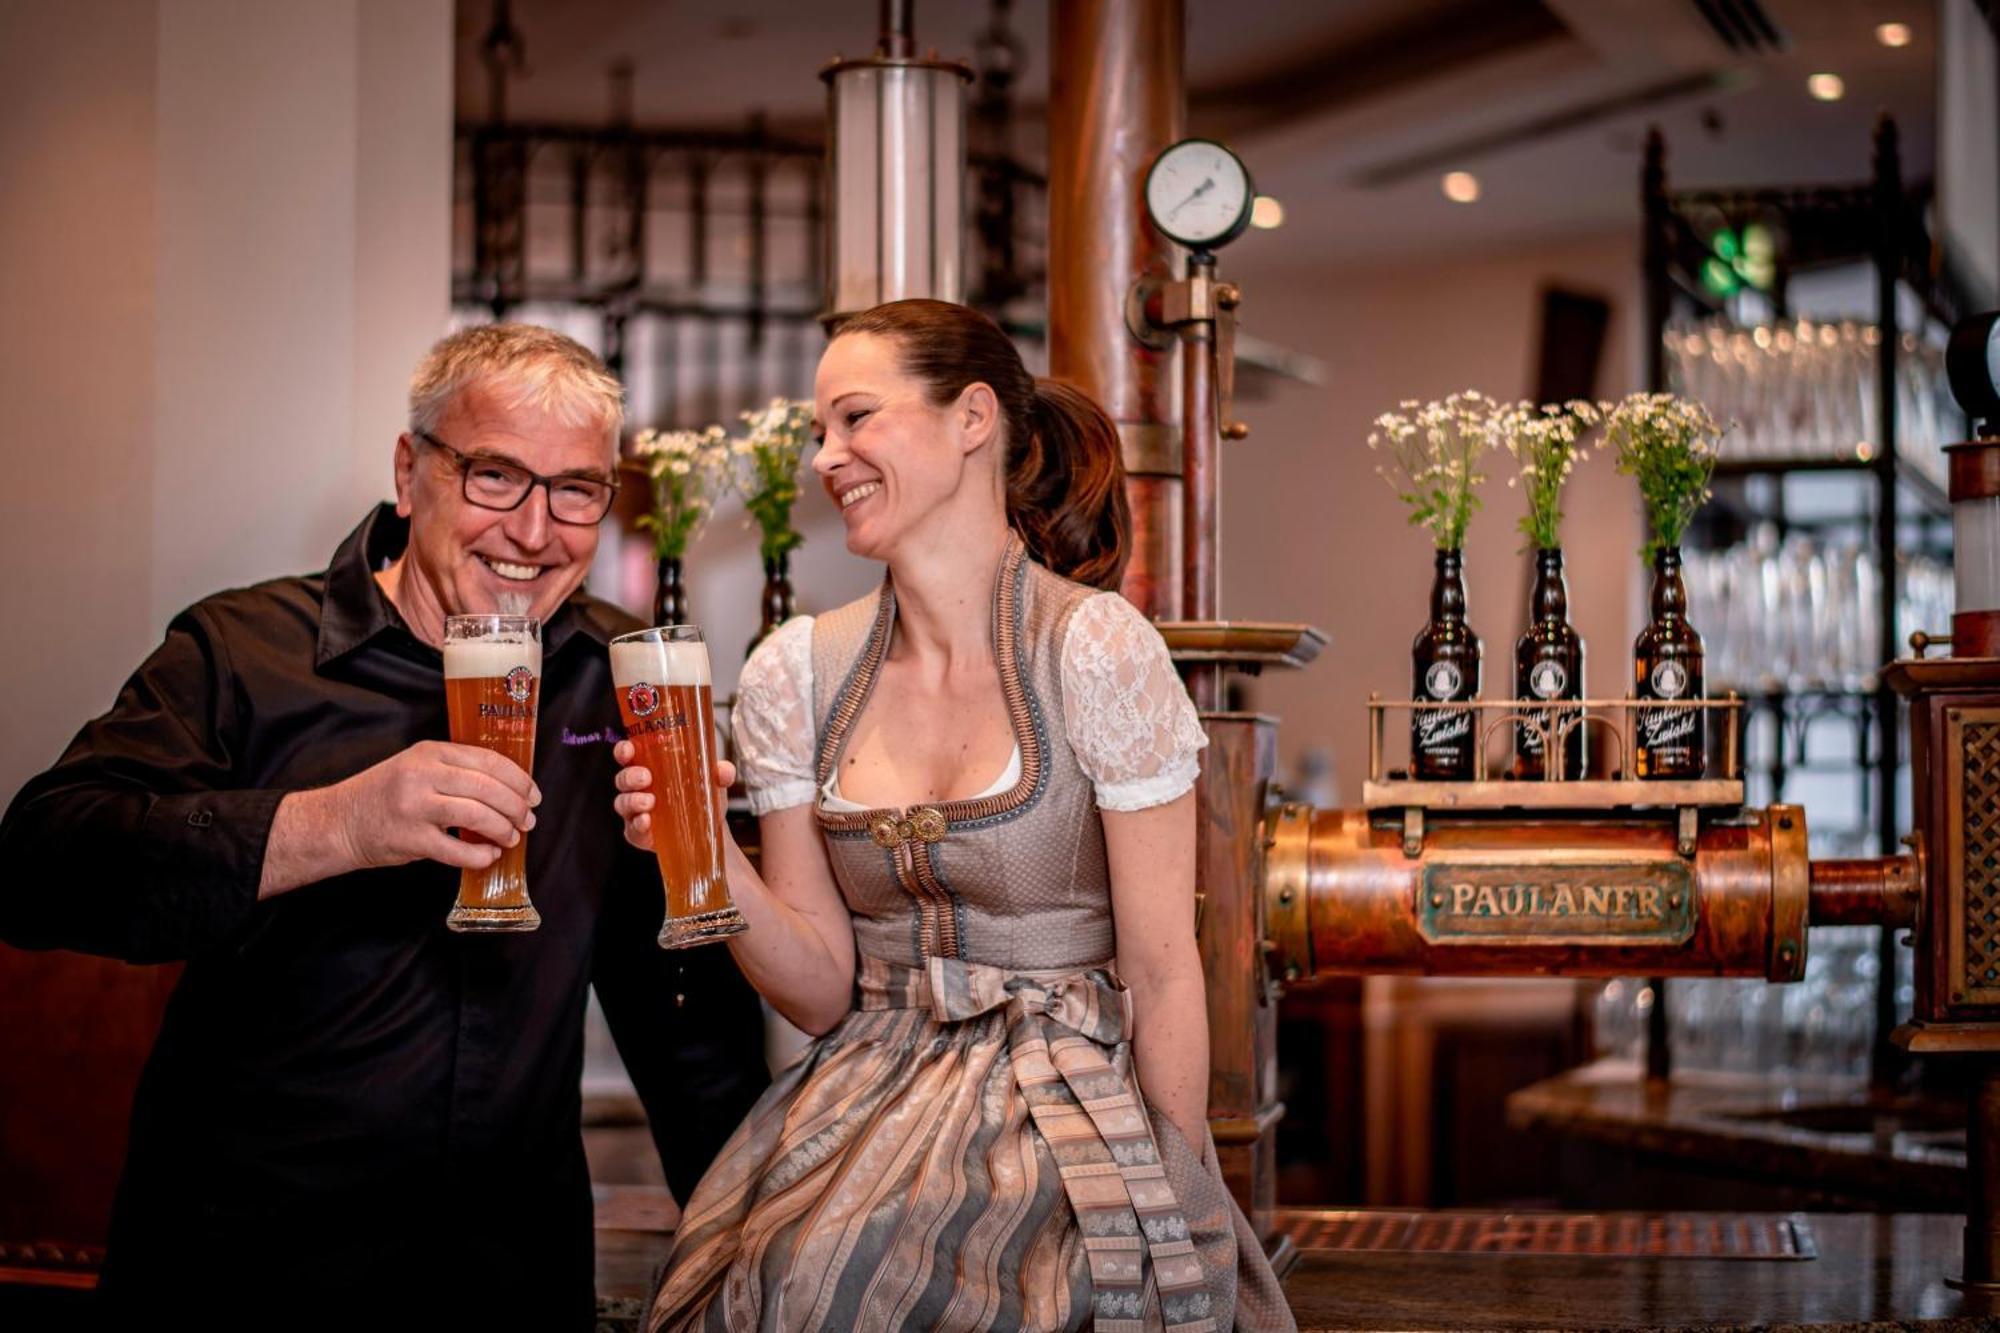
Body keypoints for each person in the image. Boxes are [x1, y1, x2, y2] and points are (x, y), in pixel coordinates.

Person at [0, 325, 768, 1327]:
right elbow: (43, 862)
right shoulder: (241, 650)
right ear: (411, 474)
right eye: (495, 475)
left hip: (508, 1272)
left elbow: (681, 1018)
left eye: (576, 489)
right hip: (243, 1261)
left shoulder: (620, 674)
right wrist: (335, 824)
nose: (535, 532)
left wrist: (753, 1238)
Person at [614, 299, 1294, 1331]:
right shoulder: (794, 673)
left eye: (853, 419)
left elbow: (1162, 969)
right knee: (782, 1280)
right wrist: (701, 852)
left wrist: (1181, 1197)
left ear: (971, 416)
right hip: (861, 1101)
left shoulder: (1093, 649)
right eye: (818, 432)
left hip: (1070, 1103)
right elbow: (817, 989)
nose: (825, 457)